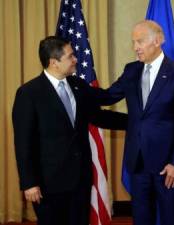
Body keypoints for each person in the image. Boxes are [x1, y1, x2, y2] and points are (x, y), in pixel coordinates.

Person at [12, 36, 127, 225]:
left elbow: (101, 115)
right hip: (48, 184)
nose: (75, 59)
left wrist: (140, 122)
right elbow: (23, 143)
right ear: (54, 63)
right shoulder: (29, 93)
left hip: (80, 180)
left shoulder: (78, 85)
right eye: (70, 56)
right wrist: (29, 183)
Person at [93, 20, 174, 225]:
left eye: (140, 41)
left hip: (167, 166)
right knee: (141, 218)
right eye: (133, 42)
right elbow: (107, 96)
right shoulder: (131, 71)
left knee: (170, 218)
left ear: (157, 41)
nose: (135, 47)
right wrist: (75, 87)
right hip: (137, 162)